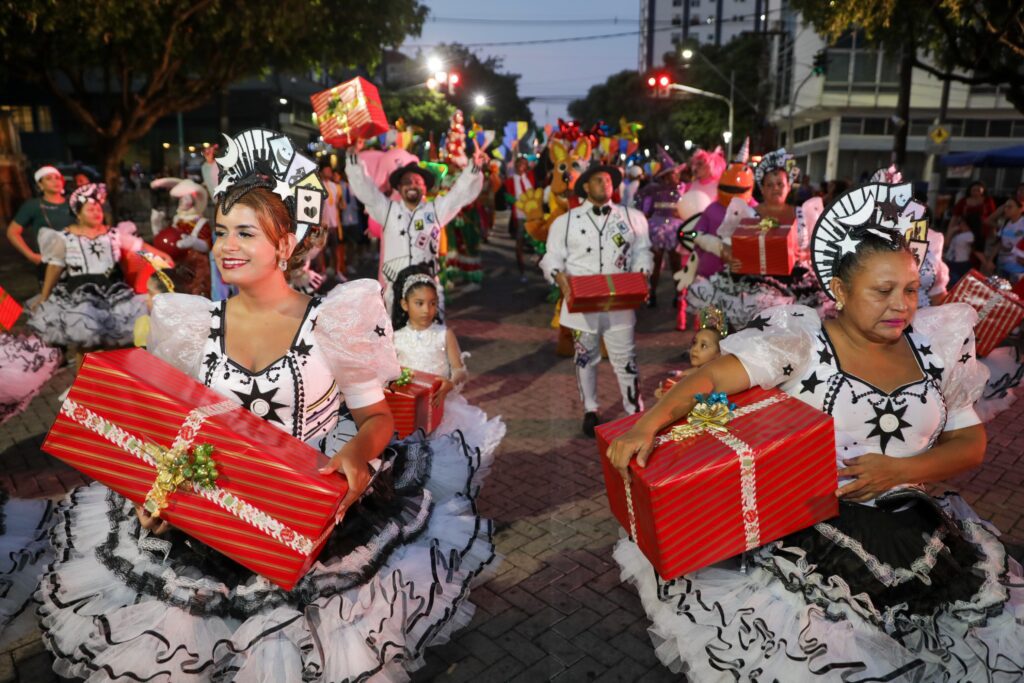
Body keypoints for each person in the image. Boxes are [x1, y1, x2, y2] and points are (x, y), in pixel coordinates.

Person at [36, 128, 497, 682]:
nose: (227, 245)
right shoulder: (191, 324)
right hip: (207, 520)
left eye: (246, 233)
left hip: (310, 519)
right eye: (223, 229)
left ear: (285, 244)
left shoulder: (334, 318)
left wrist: (355, 455)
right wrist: (152, 495)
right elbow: (170, 430)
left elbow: (376, 418)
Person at [606, 185, 1024, 681]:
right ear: (841, 291)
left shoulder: (936, 349)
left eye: (910, 289)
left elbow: (970, 443)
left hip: (922, 532)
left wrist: (903, 469)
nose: (901, 305)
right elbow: (713, 376)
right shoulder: (802, 344)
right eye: (882, 290)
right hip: (810, 539)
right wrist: (649, 424)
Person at [540, 164, 653, 437]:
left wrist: (643, 274)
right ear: (586, 187)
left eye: (608, 180)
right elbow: (551, 257)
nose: (605, 184)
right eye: (597, 180)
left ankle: (634, 411)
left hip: (620, 301)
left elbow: (642, 251)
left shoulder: (633, 217)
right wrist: (559, 277)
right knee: (584, 358)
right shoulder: (565, 222)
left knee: (626, 359)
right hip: (582, 303)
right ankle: (590, 409)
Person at [345, 139, 486, 311]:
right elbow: (366, 190)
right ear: (398, 187)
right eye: (406, 182)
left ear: (425, 188)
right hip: (395, 297)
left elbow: (459, 194)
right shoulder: (387, 210)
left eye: (417, 182)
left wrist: (474, 168)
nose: (412, 185)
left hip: (427, 297)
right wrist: (353, 160)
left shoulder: (435, 210)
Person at [27, 183, 160, 361]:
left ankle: (108, 382)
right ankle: (84, 383)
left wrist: (163, 257)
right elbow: (55, 267)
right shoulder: (64, 237)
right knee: (87, 343)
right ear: (78, 214)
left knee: (114, 343)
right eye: (90, 209)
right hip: (79, 294)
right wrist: (44, 296)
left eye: (98, 208)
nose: (97, 212)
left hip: (112, 293)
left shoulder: (114, 234)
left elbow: (141, 249)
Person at [390, 265, 505, 460]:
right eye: (419, 303)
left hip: (440, 407)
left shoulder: (444, 334)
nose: (427, 310)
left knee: (438, 458)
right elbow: (390, 374)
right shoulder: (395, 338)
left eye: (432, 303)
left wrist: (450, 382)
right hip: (407, 411)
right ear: (404, 304)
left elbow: (460, 371)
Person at [7, 165, 73, 277]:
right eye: (48, 178)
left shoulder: (73, 202)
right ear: (40, 185)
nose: (55, 181)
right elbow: (12, 232)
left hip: (78, 259)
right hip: (50, 263)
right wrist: (31, 256)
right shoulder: (33, 206)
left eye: (57, 178)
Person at [637, 159, 685, 308]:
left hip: (675, 229)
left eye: (677, 174)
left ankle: (679, 296)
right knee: (655, 263)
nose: (676, 176)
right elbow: (645, 209)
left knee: (676, 263)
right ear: (665, 176)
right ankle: (652, 295)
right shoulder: (653, 190)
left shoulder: (683, 188)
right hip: (657, 228)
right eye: (673, 174)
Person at [654, 306, 727, 399]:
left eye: (703, 346)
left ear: (719, 353)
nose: (695, 349)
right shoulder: (685, 375)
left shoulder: (719, 380)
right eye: (694, 343)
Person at [504, 156, 535, 281]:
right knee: (519, 244)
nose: (522, 166)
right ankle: (522, 271)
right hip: (520, 216)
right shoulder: (510, 181)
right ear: (516, 165)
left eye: (524, 164)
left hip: (533, 216)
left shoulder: (530, 178)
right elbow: (506, 196)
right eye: (520, 163)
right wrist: (512, 200)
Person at [319, 161, 346, 280]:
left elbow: (340, 204)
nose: (329, 172)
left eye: (330, 170)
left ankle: (337, 272)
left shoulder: (335, 186)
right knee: (321, 250)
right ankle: (323, 273)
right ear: (321, 172)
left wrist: (341, 204)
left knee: (335, 249)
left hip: (334, 223)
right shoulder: (317, 186)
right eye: (327, 170)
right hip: (322, 224)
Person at [989, 197, 1024, 280]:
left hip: (1018, 269)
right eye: (1005, 206)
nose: (1006, 209)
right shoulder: (1006, 222)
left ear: (1021, 209)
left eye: (1010, 207)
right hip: (1002, 265)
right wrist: (990, 260)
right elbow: (999, 243)